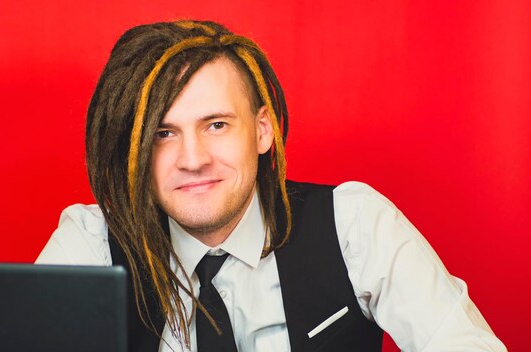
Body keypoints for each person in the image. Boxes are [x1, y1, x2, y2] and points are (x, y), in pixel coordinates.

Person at [36, 20, 507, 351]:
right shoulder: (93, 243)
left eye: (216, 125)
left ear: (262, 130)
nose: (193, 159)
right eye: (163, 133)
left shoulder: (354, 225)